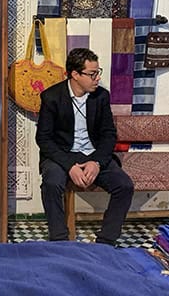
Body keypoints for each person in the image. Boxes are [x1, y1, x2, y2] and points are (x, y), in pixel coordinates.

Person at [35, 48, 133, 246]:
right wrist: (70, 165)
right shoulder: (52, 97)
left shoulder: (101, 97)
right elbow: (44, 139)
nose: (97, 78)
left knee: (124, 186)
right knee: (51, 184)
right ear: (75, 74)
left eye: (98, 72)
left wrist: (96, 162)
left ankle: (105, 242)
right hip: (61, 156)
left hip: (93, 154)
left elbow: (108, 135)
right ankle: (59, 240)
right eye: (92, 73)